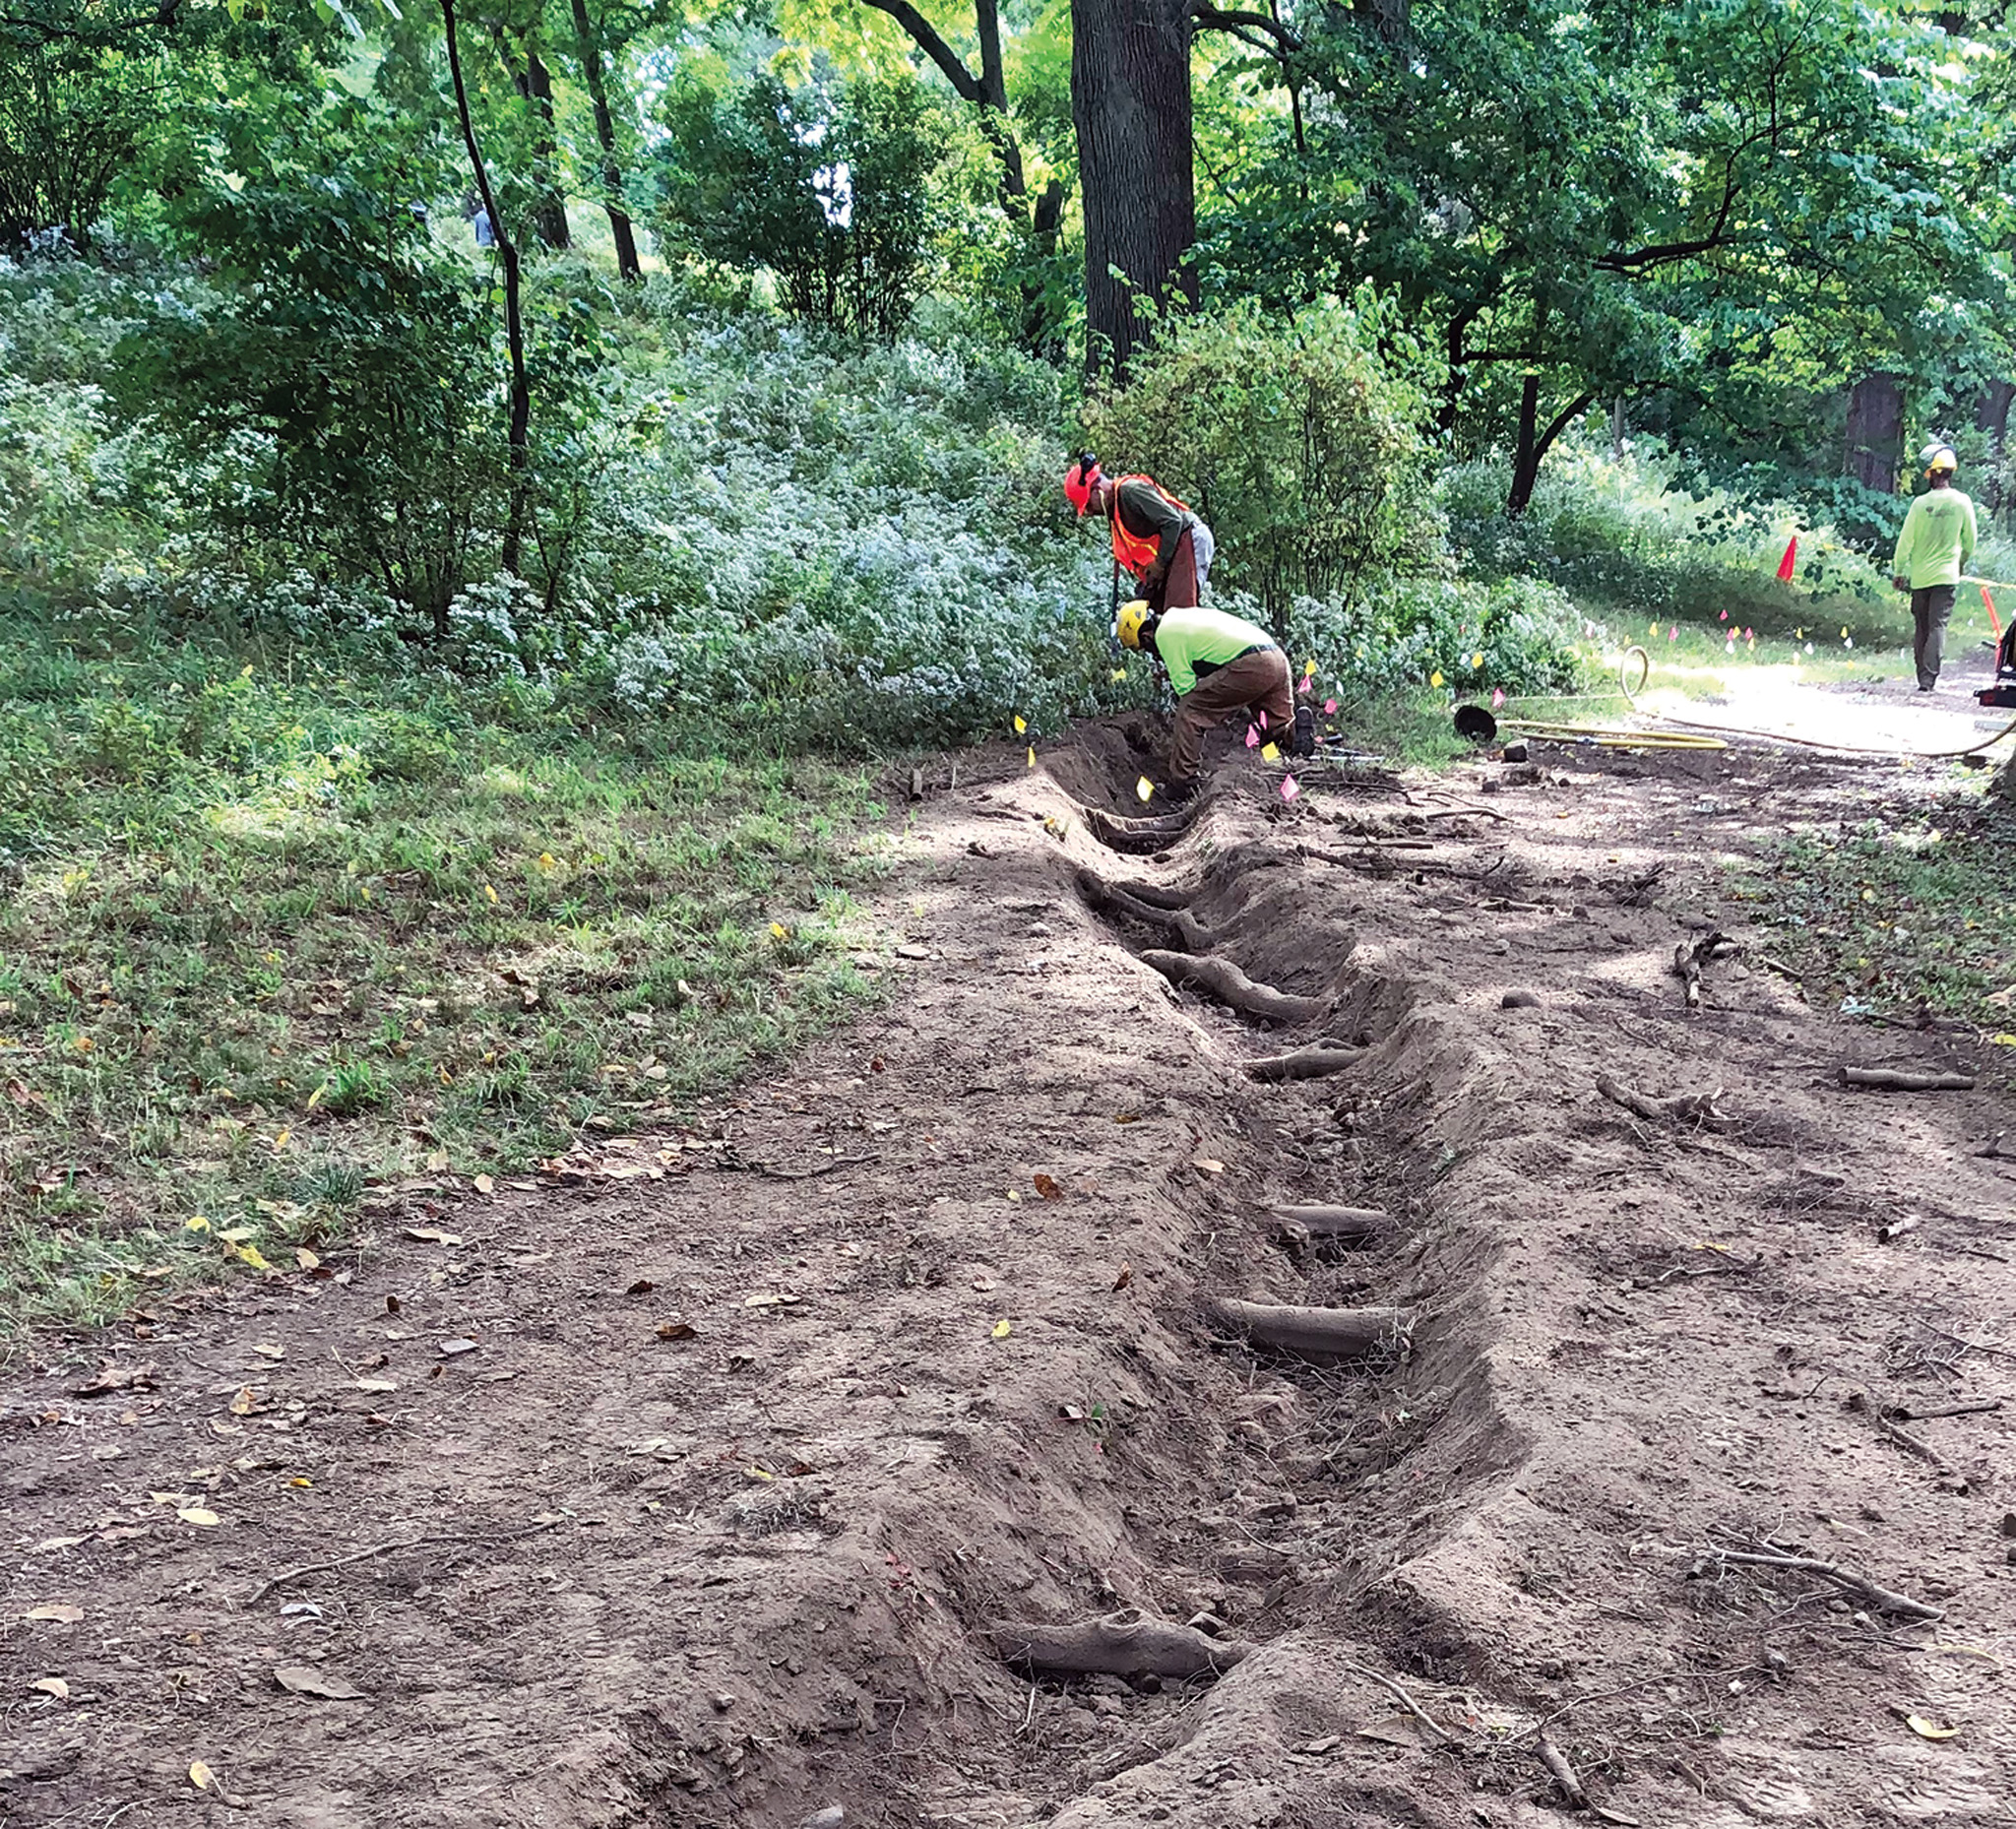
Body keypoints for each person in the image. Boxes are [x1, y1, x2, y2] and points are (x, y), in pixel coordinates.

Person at [1117, 599, 1311, 798]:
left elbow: (1186, 689)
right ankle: (1297, 736)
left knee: (1190, 711)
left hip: (1251, 663)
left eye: (1143, 648)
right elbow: (1210, 655)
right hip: (1275, 657)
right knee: (1277, 726)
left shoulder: (1165, 635)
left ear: (1146, 636)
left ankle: (1183, 783)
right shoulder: (1177, 618)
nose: (1150, 653)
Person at [1063, 452, 1215, 611]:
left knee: (1178, 613)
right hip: (1173, 550)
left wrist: (1159, 564)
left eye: (1088, 505)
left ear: (1097, 490)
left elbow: (1173, 522)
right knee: (1148, 617)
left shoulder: (1130, 491)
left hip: (1190, 538)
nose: (1089, 512)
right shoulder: (1116, 512)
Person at [1891, 443, 1979, 692]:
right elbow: (1970, 541)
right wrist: (1960, 563)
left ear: (1933, 473)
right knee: (1938, 625)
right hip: (1947, 575)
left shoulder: (1920, 504)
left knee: (1922, 627)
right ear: (1951, 473)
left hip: (1920, 577)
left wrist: (1899, 571)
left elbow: (1905, 540)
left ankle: (1922, 676)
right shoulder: (1962, 502)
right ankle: (1929, 679)